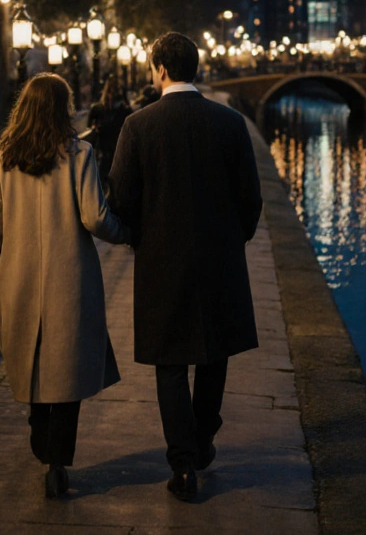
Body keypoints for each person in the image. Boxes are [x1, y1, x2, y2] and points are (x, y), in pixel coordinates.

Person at [108, 32, 262, 503]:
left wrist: (140, 238)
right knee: (214, 355)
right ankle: (202, 439)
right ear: (194, 68)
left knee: (170, 363)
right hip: (220, 259)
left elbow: (121, 200)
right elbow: (250, 199)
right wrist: (235, 238)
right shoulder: (230, 123)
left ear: (158, 69)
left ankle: (182, 465)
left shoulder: (138, 126)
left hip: (162, 261)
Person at [0, 73, 131, 498]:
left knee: (31, 360)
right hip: (71, 278)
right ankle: (57, 462)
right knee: (67, 370)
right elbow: (95, 218)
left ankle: (39, 437)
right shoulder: (79, 154)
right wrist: (126, 233)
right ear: (63, 108)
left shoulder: (3, 156)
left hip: (19, 277)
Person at [86, 75, 133, 180]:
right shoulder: (124, 111)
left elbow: (90, 129)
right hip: (117, 153)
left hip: (106, 153)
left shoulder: (98, 110)